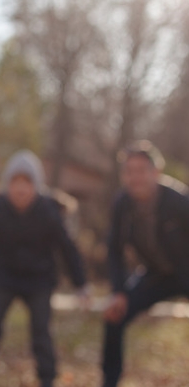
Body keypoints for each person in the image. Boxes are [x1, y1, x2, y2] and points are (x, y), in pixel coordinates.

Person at [0, 150, 87, 387]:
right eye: (15, 182)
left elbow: (67, 249)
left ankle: (47, 379)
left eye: (26, 183)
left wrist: (81, 285)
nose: (20, 189)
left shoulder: (49, 210)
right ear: (7, 185)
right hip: (4, 277)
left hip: (39, 280)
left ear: (37, 186)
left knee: (41, 333)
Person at [101, 140, 189, 387]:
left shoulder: (178, 200)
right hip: (156, 274)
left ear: (156, 172)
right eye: (129, 171)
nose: (135, 177)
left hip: (186, 271)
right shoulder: (122, 204)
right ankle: (110, 381)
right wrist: (118, 291)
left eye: (141, 170)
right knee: (114, 315)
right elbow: (114, 250)